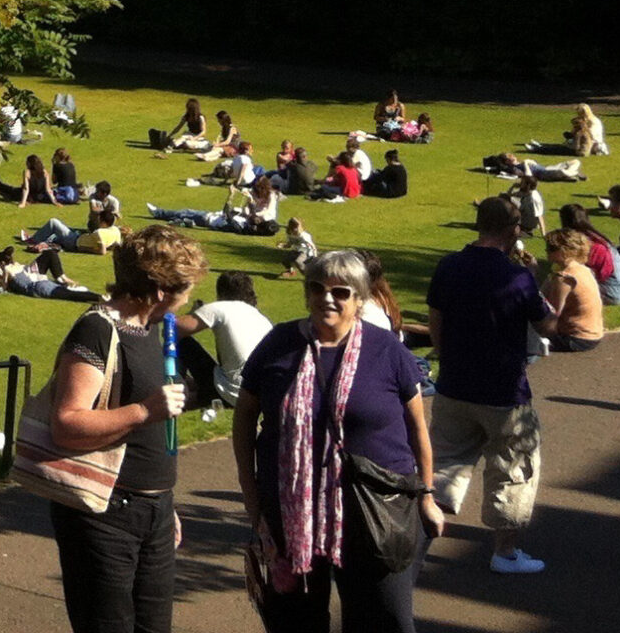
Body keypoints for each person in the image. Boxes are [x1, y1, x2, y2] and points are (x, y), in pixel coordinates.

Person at [233, 248, 443, 633]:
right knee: (295, 621)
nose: (326, 298)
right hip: (290, 511)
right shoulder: (278, 345)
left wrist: (427, 496)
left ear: (360, 300)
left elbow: (417, 427)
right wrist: (252, 500)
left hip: (376, 511)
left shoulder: (387, 350)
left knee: (384, 619)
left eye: (341, 291)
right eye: (317, 287)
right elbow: (244, 417)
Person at [43, 226, 208, 633]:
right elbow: (66, 422)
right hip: (102, 510)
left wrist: (163, 506)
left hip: (154, 509)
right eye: (184, 287)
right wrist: (143, 410)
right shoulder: (98, 329)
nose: (188, 297)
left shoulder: (156, 329)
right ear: (158, 288)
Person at [425, 194, 557, 576]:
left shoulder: (449, 265)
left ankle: (422, 535)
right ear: (513, 230)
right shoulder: (516, 276)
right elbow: (547, 325)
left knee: (446, 464)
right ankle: (505, 551)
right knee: (513, 469)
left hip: (454, 385)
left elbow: (436, 323)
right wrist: (540, 283)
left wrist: (446, 356)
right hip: (504, 392)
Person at [178, 270, 272, 414]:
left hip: (230, 390)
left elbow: (174, 328)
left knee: (182, 340)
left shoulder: (220, 307)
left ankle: (175, 383)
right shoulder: (260, 317)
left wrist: (193, 314)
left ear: (221, 292)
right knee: (203, 392)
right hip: (256, 394)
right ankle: (196, 393)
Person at [539, 229, 605, 351]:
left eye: (551, 248)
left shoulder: (564, 278)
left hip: (575, 338)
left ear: (564, 251)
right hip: (594, 335)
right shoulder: (583, 269)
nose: (546, 250)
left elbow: (551, 313)